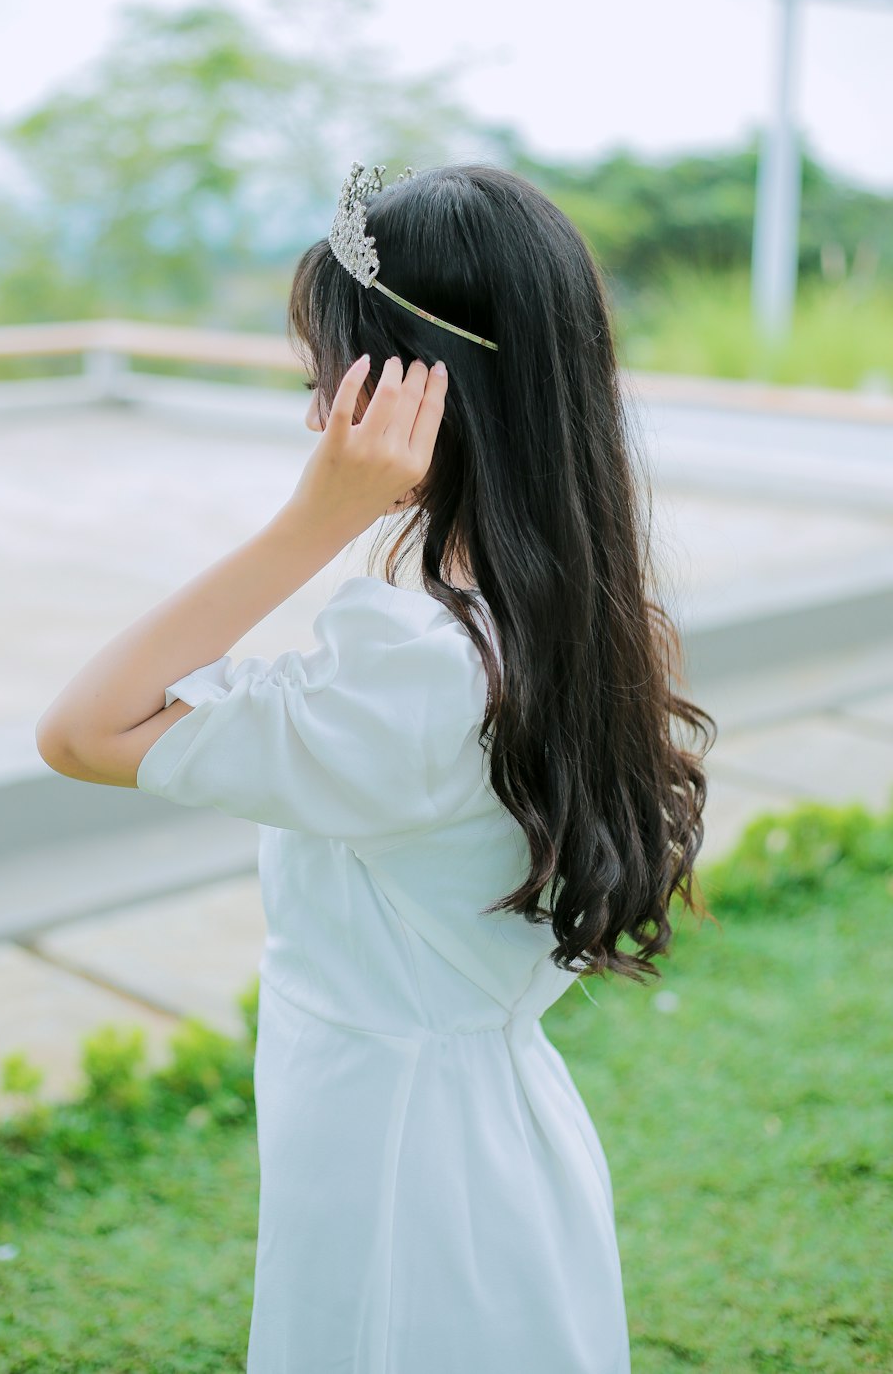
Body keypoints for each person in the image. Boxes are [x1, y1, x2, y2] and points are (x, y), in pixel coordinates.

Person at [36, 160, 716, 1373]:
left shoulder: (413, 665)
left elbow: (84, 730)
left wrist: (317, 520)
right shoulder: (573, 617)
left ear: (410, 397)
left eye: (325, 382)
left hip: (401, 1168)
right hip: (487, 1138)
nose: (314, 421)